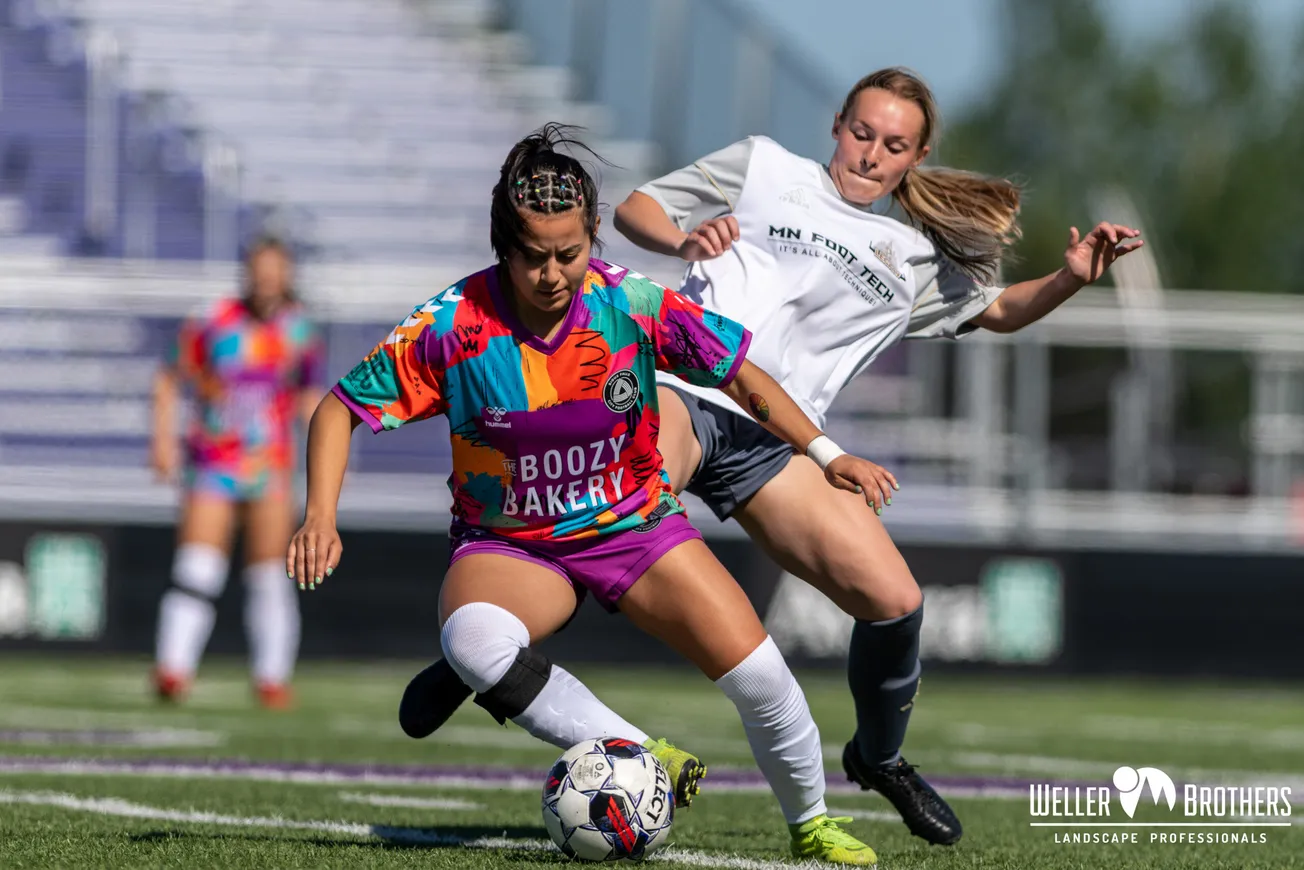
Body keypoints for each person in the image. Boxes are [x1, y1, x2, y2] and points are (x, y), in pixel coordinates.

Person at [400, 68, 1145, 845]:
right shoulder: (763, 168)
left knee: (894, 600)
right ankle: (484, 652)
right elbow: (635, 210)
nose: (869, 155)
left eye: (893, 145)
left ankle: (880, 758)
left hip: (783, 439)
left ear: (917, 155)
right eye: (861, 133)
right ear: (836, 124)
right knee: (616, 507)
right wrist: (683, 237)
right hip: (686, 388)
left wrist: (1070, 277)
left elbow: (998, 311)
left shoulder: (916, 256)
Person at [287, 125, 898, 865]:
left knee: (763, 677)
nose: (551, 274)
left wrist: (826, 453)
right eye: (532, 256)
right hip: (514, 544)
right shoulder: (450, 325)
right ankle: (645, 757)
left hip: (637, 529)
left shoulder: (632, 304)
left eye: (569, 254)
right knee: (473, 642)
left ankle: (812, 825)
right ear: (501, 247)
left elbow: (739, 374)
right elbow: (339, 408)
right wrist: (320, 516)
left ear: (594, 237)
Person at [151, 236, 323, 709]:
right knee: (197, 567)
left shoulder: (299, 331)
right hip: (213, 461)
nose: (267, 279)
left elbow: (309, 398)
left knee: (270, 574)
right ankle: (173, 668)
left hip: (271, 465)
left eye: (276, 270)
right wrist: (163, 440)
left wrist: (326, 457)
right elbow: (169, 377)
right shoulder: (212, 320)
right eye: (260, 269)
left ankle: (272, 676)